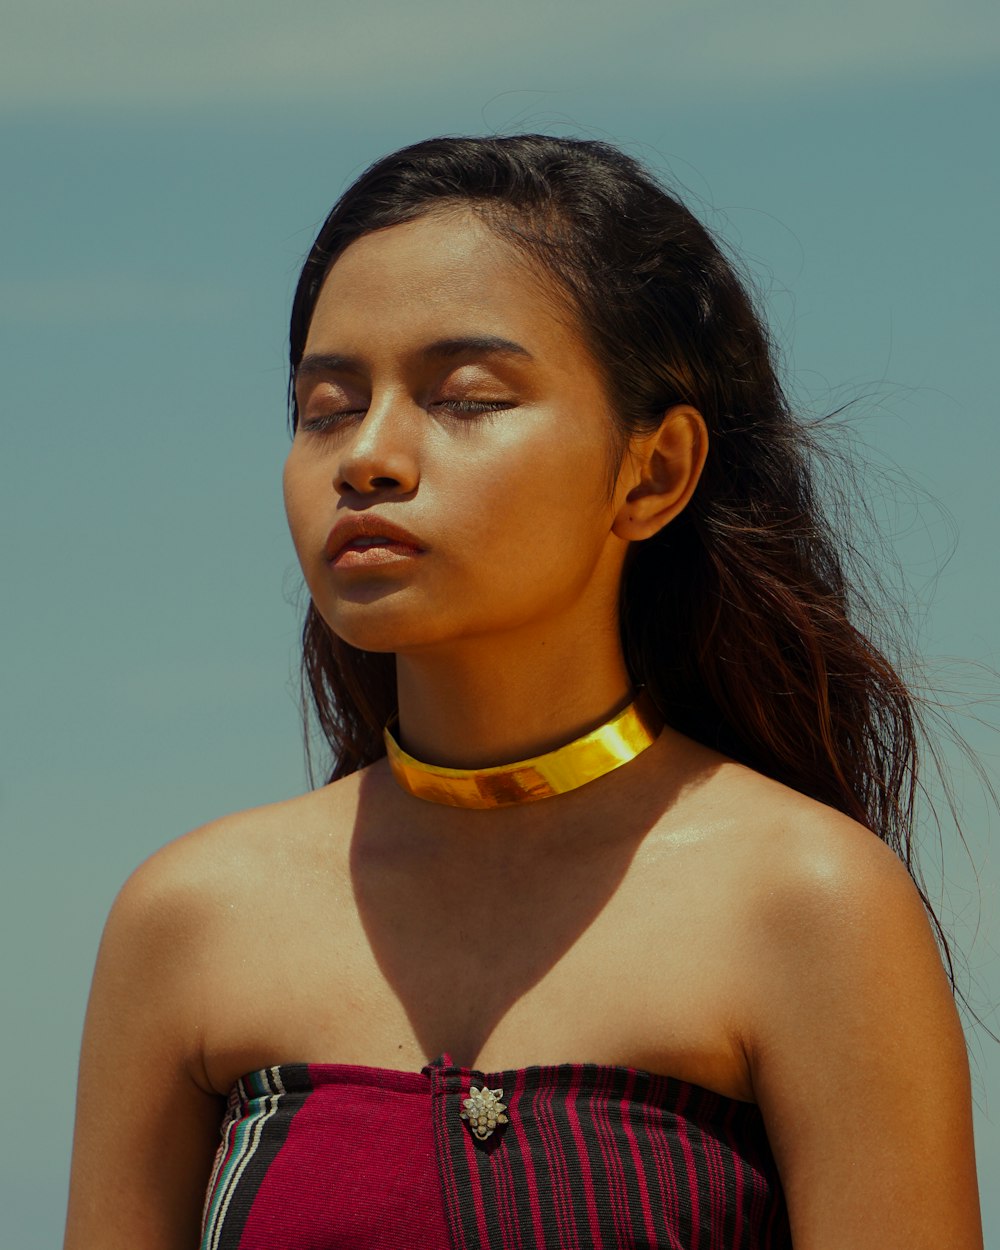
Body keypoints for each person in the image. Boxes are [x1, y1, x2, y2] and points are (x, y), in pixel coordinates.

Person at [64, 135, 984, 1250]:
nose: (369, 455)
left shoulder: (808, 902)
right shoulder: (191, 918)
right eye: (325, 406)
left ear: (653, 473)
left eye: (464, 397)